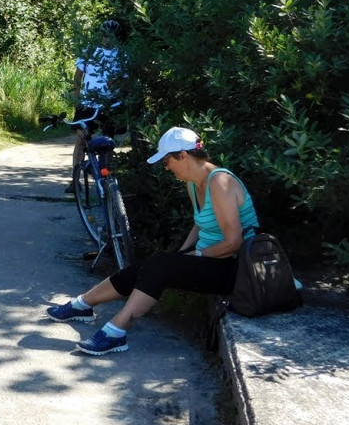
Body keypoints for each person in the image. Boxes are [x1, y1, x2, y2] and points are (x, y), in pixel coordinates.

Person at [46, 126, 259, 355]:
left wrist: (193, 256)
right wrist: (182, 254)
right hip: (212, 261)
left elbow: (233, 242)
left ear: (182, 155)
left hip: (235, 268)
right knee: (151, 265)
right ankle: (83, 304)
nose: (166, 168)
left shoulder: (220, 182)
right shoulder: (194, 183)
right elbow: (200, 224)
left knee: (160, 265)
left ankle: (116, 332)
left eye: (167, 162)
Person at [66, 19, 124, 192]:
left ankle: (105, 179)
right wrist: (77, 98)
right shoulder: (89, 51)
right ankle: (75, 182)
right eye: (105, 35)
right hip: (88, 104)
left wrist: (118, 84)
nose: (108, 38)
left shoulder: (122, 55)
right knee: (81, 139)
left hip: (111, 105)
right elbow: (77, 76)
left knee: (108, 142)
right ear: (101, 35)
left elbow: (127, 80)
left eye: (112, 35)